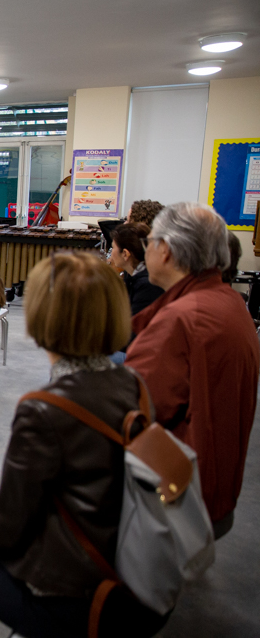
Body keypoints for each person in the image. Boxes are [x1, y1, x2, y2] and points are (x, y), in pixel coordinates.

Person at [0, 252, 167, 638]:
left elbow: (5, 527)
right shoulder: (133, 384)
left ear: (43, 318)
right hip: (135, 574)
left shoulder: (44, 409)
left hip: (76, 597)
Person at [125, 202, 259, 538]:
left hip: (180, 490)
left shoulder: (181, 320)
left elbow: (134, 410)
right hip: (217, 485)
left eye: (149, 241)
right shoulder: (230, 301)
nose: (146, 249)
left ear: (166, 251)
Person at [108, 223, 164, 317]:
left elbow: (134, 326)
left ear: (125, 254)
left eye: (113, 247)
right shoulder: (139, 277)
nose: (111, 253)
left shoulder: (147, 285)